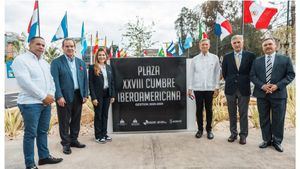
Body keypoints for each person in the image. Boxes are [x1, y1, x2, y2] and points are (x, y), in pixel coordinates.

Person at [11, 37, 63, 169]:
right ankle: (30, 164)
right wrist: (43, 96)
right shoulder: (21, 60)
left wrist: (50, 95)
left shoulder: (45, 63)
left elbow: (51, 81)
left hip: (45, 103)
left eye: (43, 45)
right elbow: (25, 82)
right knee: (30, 134)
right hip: (30, 104)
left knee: (43, 131)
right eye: (38, 44)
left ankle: (44, 157)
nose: (41, 47)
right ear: (30, 45)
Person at [250, 37, 295, 152]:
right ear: (262, 48)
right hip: (262, 94)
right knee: (263, 118)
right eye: (265, 45)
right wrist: (262, 86)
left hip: (279, 94)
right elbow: (252, 76)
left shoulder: (285, 60)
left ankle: (277, 141)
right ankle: (266, 140)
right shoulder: (257, 61)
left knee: (278, 119)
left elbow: (290, 75)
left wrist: (277, 85)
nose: (268, 47)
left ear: (275, 46)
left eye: (270, 44)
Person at [51, 38, 88, 154]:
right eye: (67, 46)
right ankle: (66, 144)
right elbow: (54, 81)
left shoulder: (81, 63)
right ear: (63, 48)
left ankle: (74, 140)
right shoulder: (56, 62)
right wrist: (58, 96)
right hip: (64, 96)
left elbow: (85, 80)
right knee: (64, 121)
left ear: (75, 48)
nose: (70, 48)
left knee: (76, 119)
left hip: (78, 95)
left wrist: (85, 94)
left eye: (72, 46)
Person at [222, 35, 256, 145]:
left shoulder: (250, 56)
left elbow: (252, 72)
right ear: (232, 44)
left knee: (243, 113)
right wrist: (232, 81)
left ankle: (243, 135)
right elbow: (225, 73)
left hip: (244, 88)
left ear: (242, 42)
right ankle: (233, 134)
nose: (237, 44)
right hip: (230, 89)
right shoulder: (227, 57)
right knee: (231, 113)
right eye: (234, 43)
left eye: (238, 42)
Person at [188, 38, 220, 140]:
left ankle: (209, 130)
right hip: (198, 88)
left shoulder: (215, 58)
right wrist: (190, 88)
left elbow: (217, 73)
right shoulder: (195, 59)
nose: (204, 46)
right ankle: (200, 130)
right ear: (200, 46)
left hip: (210, 88)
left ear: (209, 45)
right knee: (199, 110)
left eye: (206, 45)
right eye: (202, 45)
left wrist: (217, 87)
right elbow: (191, 74)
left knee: (209, 109)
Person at [89, 48, 116, 143]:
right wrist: (94, 97)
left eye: (103, 55)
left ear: (106, 56)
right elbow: (91, 83)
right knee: (98, 115)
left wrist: (112, 95)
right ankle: (98, 136)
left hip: (107, 94)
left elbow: (111, 82)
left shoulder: (108, 67)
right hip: (98, 95)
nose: (102, 56)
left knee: (105, 115)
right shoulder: (93, 67)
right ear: (97, 56)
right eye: (100, 55)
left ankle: (104, 133)